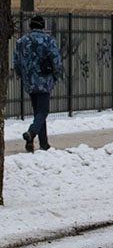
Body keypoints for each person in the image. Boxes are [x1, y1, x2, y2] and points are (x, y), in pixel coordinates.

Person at [15, 14, 63, 152]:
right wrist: (55, 75)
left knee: (38, 112)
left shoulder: (21, 42)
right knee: (43, 111)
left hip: (29, 81)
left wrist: (23, 76)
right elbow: (56, 61)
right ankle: (31, 133)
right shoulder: (48, 40)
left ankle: (43, 143)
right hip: (44, 81)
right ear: (43, 26)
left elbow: (16, 63)